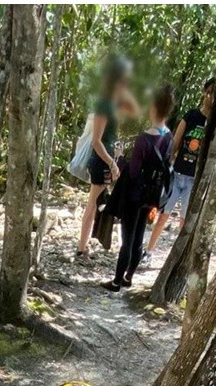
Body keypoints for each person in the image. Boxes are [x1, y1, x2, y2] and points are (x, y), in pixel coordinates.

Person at [104, 85, 174, 292]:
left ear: (152, 108)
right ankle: (128, 278)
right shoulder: (168, 136)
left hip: (135, 194)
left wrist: (119, 158)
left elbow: (133, 171)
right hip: (153, 194)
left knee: (128, 238)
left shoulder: (144, 138)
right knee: (139, 236)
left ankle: (116, 281)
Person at [77, 57, 136, 261]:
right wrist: (111, 163)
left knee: (98, 204)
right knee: (92, 205)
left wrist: (116, 156)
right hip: (101, 162)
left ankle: (89, 243)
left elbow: (110, 137)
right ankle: (81, 247)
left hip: (108, 161)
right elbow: (96, 141)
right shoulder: (104, 105)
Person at [146, 79, 214, 253]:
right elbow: (175, 143)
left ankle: (176, 257)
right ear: (204, 92)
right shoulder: (191, 115)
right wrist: (165, 167)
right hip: (177, 174)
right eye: (210, 92)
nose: (212, 97)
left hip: (194, 179)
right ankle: (149, 251)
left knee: (184, 222)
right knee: (163, 216)